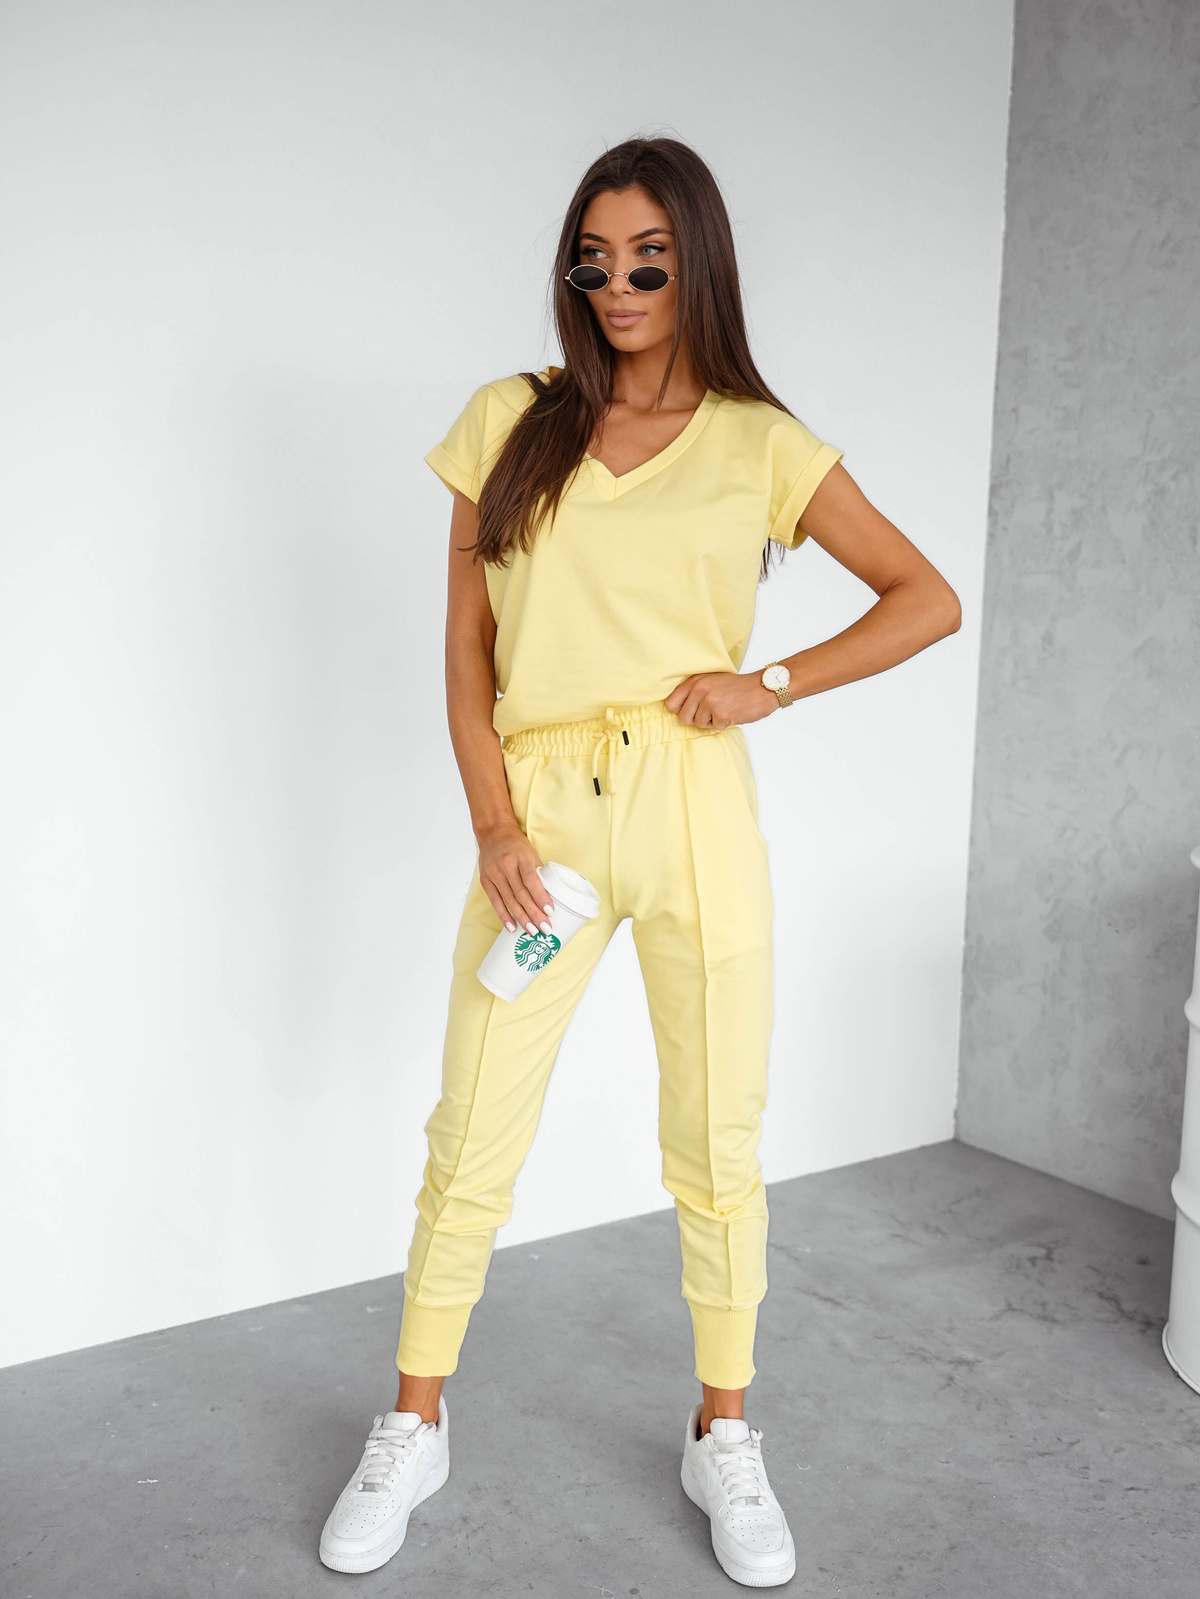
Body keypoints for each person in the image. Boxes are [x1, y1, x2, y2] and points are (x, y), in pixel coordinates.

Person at [320, 135, 961, 1586]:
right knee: (470, 1129)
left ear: (698, 266)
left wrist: (770, 683)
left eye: (650, 262)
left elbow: (925, 598)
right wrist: (494, 824)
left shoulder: (760, 442)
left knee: (719, 1137)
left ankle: (723, 1431)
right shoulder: (510, 420)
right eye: (595, 260)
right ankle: (415, 1422)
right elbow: (466, 648)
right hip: (542, 815)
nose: (619, 286)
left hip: (691, 802)